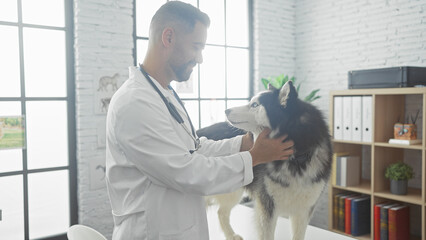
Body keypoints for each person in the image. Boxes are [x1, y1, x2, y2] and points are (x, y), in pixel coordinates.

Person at [105, 1, 294, 239]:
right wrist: (255, 157)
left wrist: (243, 143)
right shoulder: (134, 103)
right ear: (169, 37)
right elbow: (186, 172)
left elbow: (194, 149)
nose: (200, 58)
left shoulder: (164, 94)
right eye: (196, 47)